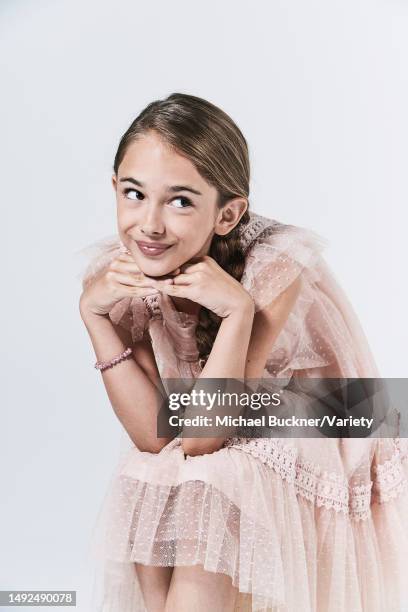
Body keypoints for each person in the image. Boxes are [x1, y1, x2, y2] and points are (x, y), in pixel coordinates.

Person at [78, 93, 408, 612]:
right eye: (135, 194)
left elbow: (210, 435)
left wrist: (236, 313)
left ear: (227, 213)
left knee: (214, 478)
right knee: (151, 474)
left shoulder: (274, 265)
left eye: (181, 200)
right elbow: (153, 435)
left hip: (322, 425)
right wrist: (95, 317)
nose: (151, 224)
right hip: (205, 430)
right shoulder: (122, 275)